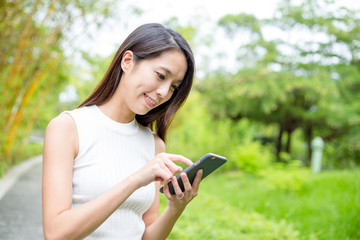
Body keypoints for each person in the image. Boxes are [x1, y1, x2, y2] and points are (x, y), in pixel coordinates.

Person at [42, 23, 203, 239]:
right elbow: (55, 233)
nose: (164, 92)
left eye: (174, 87)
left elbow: (145, 235)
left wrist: (175, 209)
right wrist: (136, 179)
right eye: (160, 76)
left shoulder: (154, 144)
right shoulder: (68, 127)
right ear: (127, 61)